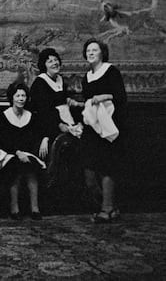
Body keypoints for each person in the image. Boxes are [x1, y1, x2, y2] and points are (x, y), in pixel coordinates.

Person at [81, 38, 127, 223]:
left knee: (107, 167)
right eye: (88, 50)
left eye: (94, 50)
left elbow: (120, 96)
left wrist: (103, 96)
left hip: (110, 126)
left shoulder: (111, 71)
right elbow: (87, 101)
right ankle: (110, 206)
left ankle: (106, 210)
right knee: (90, 173)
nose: (90, 53)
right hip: (93, 128)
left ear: (102, 53)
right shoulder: (86, 77)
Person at [0, 82, 47, 221]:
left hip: (28, 153)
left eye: (23, 96)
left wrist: (45, 138)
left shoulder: (32, 116)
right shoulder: (3, 117)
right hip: (10, 154)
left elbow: (43, 130)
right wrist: (17, 152)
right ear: (12, 98)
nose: (21, 99)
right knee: (16, 169)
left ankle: (35, 208)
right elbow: (3, 142)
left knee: (31, 168)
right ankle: (14, 208)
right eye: (18, 96)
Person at [30, 48, 83, 171]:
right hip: (50, 124)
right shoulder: (40, 83)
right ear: (44, 65)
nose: (54, 63)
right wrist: (58, 125)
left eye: (55, 60)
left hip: (67, 120)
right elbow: (43, 111)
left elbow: (63, 102)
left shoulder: (60, 80)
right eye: (50, 61)